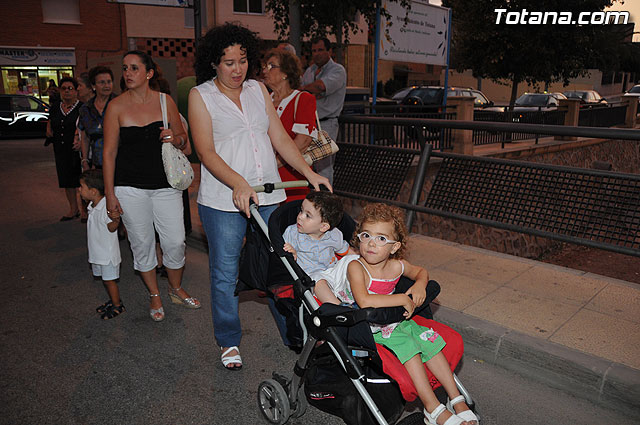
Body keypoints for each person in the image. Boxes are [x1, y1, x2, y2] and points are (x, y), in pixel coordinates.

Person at [188, 23, 331, 370]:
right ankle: (228, 340)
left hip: (268, 195)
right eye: (229, 63)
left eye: (242, 61)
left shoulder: (257, 90)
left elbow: (280, 138)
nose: (237, 70)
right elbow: (206, 151)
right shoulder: (200, 96)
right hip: (224, 200)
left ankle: (294, 334)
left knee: (282, 266)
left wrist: (309, 173)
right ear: (214, 63)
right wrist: (238, 183)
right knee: (225, 272)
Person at [314, 203, 478, 425]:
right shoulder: (356, 267)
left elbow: (421, 271)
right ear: (358, 238)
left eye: (381, 238)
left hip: (394, 320)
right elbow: (364, 301)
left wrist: (420, 284)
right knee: (410, 347)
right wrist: (401, 298)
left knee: (429, 343)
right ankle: (432, 408)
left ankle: (456, 400)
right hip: (368, 325)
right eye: (366, 235)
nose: (371, 243)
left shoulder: (396, 266)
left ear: (394, 247)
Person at [103, 50, 199, 323]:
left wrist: (175, 138)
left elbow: (183, 139)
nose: (128, 73)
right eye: (125, 68)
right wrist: (109, 195)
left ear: (149, 73)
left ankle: (175, 288)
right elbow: (109, 153)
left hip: (166, 184)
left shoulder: (165, 101)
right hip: (129, 187)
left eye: (134, 68)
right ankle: (155, 294)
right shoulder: (116, 106)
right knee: (142, 243)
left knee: (175, 241)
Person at [282, 191, 355, 303]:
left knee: (353, 261)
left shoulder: (334, 234)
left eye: (307, 215)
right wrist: (292, 253)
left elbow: (345, 250)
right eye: (301, 211)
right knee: (317, 280)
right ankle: (339, 307)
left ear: (323, 227)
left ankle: (362, 295)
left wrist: (359, 259)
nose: (300, 216)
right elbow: (283, 253)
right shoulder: (292, 233)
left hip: (333, 271)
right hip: (311, 275)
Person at [263, 48, 316, 201]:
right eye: (265, 66)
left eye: (271, 66)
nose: (265, 71)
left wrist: (274, 164)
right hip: (264, 179)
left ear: (286, 72)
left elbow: (303, 141)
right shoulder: (262, 99)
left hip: (291, 179)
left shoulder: (303, 99)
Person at [79, 169, 125, 320]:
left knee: (109, 281)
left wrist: (116, 220)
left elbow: (111, 227)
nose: (79, 190)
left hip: (107, 255)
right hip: (98, 252)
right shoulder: (93, 204)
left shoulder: (106, 206)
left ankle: (118, 305)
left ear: (93, 191)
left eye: (82, 187)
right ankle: (113, 300)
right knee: (105, 280)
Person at [300, 37, 346, 184]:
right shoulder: (310, 71)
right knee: (306, 165)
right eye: (314, 51)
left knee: (324, 168)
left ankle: (326, 197)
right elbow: (309, 91)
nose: (316, 54)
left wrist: (305, 90)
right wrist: (310, 91)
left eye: (320, 50)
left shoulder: (338, 70)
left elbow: (320, 87)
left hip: (326, 125)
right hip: (308, 125)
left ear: (329, 51)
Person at [46, 77, 83, 221]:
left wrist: (80, 140)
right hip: (60, 148)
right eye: (64, 88)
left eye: (70, 88)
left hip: (76, 149)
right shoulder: (56, 106)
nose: (67, 91)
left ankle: (85, 210)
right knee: (67, 180)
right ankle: (73, 209)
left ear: (76, 91)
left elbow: (84, 127)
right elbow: (50, 119)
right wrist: (48, 129)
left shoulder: (82, 107)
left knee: (81, 180)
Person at [78, 66, 116, 171]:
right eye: (102, 82)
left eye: (109, 82)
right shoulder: (86, 109)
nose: (106, 86)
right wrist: (85, 160)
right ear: (93, 86)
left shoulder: (120, 104)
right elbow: (85, 137)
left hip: (120, 163)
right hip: (97, 163)